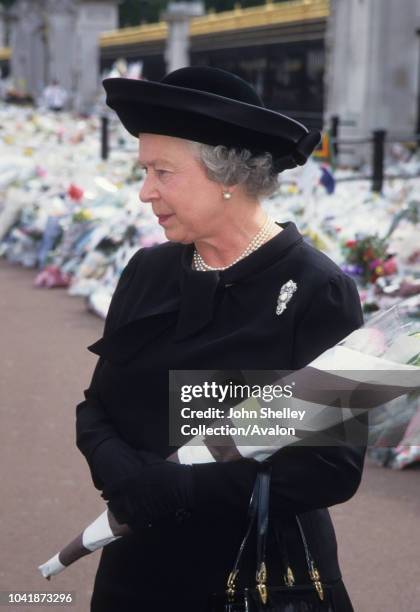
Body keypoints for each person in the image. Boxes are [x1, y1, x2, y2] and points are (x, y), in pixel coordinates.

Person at [75, 66, 366, 611]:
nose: (144, 192)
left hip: (257, 580)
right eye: (144, 170)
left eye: (163, 172)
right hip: (138, 572)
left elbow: (332, 469)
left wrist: (183, 490)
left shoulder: (319, 290)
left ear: (228, 175)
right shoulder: (147, 270)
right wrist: (121, 472)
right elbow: (96, 407)